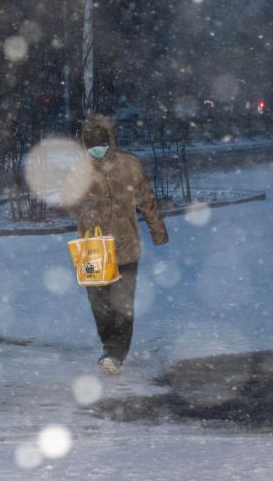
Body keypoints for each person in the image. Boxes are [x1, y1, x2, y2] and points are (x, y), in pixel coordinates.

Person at [72, 114, 169, 375]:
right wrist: (85, 210)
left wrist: (157, 231)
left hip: (125, 247)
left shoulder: (130, 165)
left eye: (101, 143)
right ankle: (108, 345)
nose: (97, 148)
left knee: (122, 304)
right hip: (92, 249)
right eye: (91, 144)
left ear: (110, 141)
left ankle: (115, 354)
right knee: (100, 306)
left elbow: (147, 200)